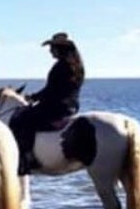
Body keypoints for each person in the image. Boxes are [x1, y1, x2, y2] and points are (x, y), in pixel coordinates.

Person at [12, 32, 85, 174]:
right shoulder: (78, 66)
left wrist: (33, 97)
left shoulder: (60, 66)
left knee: (20, 119)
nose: (50, 51)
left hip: (56, 107)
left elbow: (51, 90)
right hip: (72, 106)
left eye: (52, 48)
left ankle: (26, 158)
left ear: (60, 49)